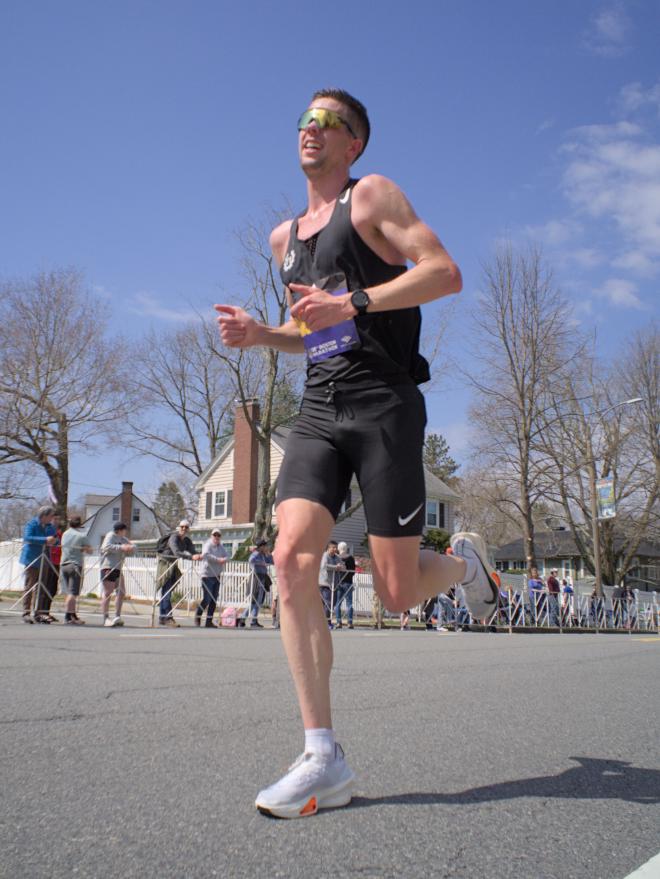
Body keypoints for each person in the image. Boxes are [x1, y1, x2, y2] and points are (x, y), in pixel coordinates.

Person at [216, 88, 497, 819]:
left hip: (385, 404)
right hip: (318, 408)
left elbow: (444, 272)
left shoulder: (370, 198)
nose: (313, 129)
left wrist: (357, 304)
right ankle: (322, 756)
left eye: (330, 122)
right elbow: (312, 333)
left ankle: (469, 569)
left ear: (354, 145)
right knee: (290, 559)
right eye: (305, 119)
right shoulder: (284, 239)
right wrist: (262, 333)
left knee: (398, 591)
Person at [156, 520, 200, 627]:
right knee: (167, 591)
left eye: (186, 527)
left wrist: (201, 556)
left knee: (167, 591)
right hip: (165, 564)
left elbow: (193, 551)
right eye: (182, 527)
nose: (184, 529)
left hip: (173, 564)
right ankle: (168, 618)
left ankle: (162, 617)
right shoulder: (173, 537)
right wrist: (191, 557)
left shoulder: (187, 541)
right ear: (178, 527)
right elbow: (176, 552)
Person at [19, 505, 57, 624]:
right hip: (32, 559)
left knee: (42, 587)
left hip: (45, 560)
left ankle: (39, 613)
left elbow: (54, 539)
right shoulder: (32, 524)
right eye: (51, 516)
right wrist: (45, 540)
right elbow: (27, 537)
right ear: (44, 516)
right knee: (29, 586)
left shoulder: (50, 527)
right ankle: (26, 612)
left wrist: (55, 541)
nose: (52, 519)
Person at [100, 522, 135, 627]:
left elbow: (132, 547)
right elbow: (106, 547)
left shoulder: (123, 539)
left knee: (121, 592)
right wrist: (121, 548)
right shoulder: (110, 535)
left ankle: (117, 616)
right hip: (108, 567)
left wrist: (131, 548)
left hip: (118, 568)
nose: (125, 532)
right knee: (108, 592)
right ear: (120, 530)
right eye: (124, 530)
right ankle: (105, 618)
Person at [60, 515, 93, 625]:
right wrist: (85, 548)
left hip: (64, 564)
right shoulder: (81, 536)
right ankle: (67, 616)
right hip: (75, 565)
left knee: (68, 592)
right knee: (73, 593)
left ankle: (73, 615)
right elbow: (90, 551)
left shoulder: (65, 534)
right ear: (80, 525)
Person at [196, 528, 228, 628]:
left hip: (217, 575)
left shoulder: (221, 547)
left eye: (218, 535)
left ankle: (208, 621)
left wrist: (225, 559)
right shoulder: (208, 544)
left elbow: (227, 555)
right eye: (215, 535)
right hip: (207, 575)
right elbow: (205, 554)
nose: (216, 537)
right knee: (207, 598)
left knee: (214, 599)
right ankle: (198, 615)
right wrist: (218, 560)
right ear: (211, 536)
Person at [244, 539, 274, 628]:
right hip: (256, 577)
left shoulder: (264, 555)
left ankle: (253, 620)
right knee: (254, 601)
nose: (266, 547)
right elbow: (251, 560)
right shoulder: (256, 553)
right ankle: (242, 618)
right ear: (261, 547)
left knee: (259, 601)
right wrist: (261, 563)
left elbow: (272, 562)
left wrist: (268, 554)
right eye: (264, 546)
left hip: (263, 577)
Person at [319, 540, 344, 627]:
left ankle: (325, 621)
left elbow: (343, 565)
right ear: (328, 548)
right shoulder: (325, 556)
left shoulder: (337, 557)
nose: (335, 549)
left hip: (334, 583)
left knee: (332, 603)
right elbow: (324, 566)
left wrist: (340, 567)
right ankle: (326, 622)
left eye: (335, 548)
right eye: (333, 547)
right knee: (327, 603)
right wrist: (335, 567)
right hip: (324, 583)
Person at [334, 541, 355, 629]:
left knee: (338, 603)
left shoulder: (337, 558)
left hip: (339, 582)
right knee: (349, 603)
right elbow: (353, 571)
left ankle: (339, 622)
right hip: (348, 582)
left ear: (339, 549)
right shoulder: (351, 558)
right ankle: (349, 622)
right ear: (346, 548)